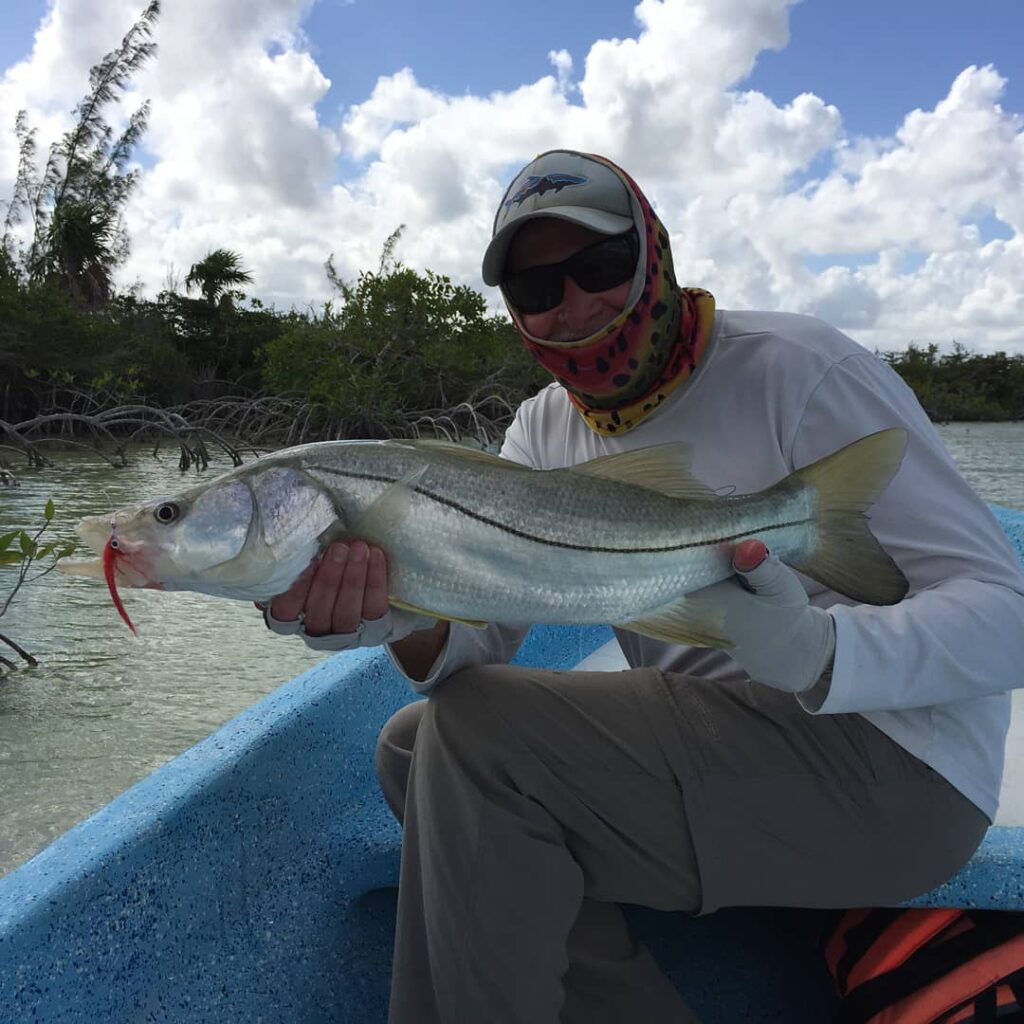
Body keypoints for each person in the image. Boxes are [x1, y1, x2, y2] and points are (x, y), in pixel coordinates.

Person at [262, 150, 1024, 1024]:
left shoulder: (802, 371)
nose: (574, 305)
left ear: (653, 252)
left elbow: (1009, 616)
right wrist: (401, 612)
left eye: (599, 265)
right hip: (729, 757)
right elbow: (475, 648)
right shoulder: (544, 429)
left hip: (896, 772)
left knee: (481, 738)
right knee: (412, 745)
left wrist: (822, 652)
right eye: (537, 289)